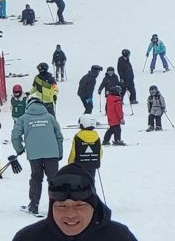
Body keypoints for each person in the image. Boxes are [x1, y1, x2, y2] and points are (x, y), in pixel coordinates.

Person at [11, 163, 139, 241]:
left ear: (93, 206)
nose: (70, 214)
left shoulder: (119, 237)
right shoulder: (28, 238)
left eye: (80, 205)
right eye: (61, 206)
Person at [11, 96, 64, 215]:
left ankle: (33, 205)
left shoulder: (23, 119)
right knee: (53, 179)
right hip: (52, 153)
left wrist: (19, 149)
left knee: (36, 178)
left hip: (34, 154)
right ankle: (57, 207)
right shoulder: (50, 117)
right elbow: (59, 136)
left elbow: (15, 136)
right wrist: (59, 152)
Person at [67, 114, 102, 179]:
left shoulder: (77, 137)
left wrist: (70, 164)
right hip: (92, 165)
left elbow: (73, 153)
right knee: (91, 180)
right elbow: (100, 152)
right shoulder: (97, 137)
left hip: (79, 165)